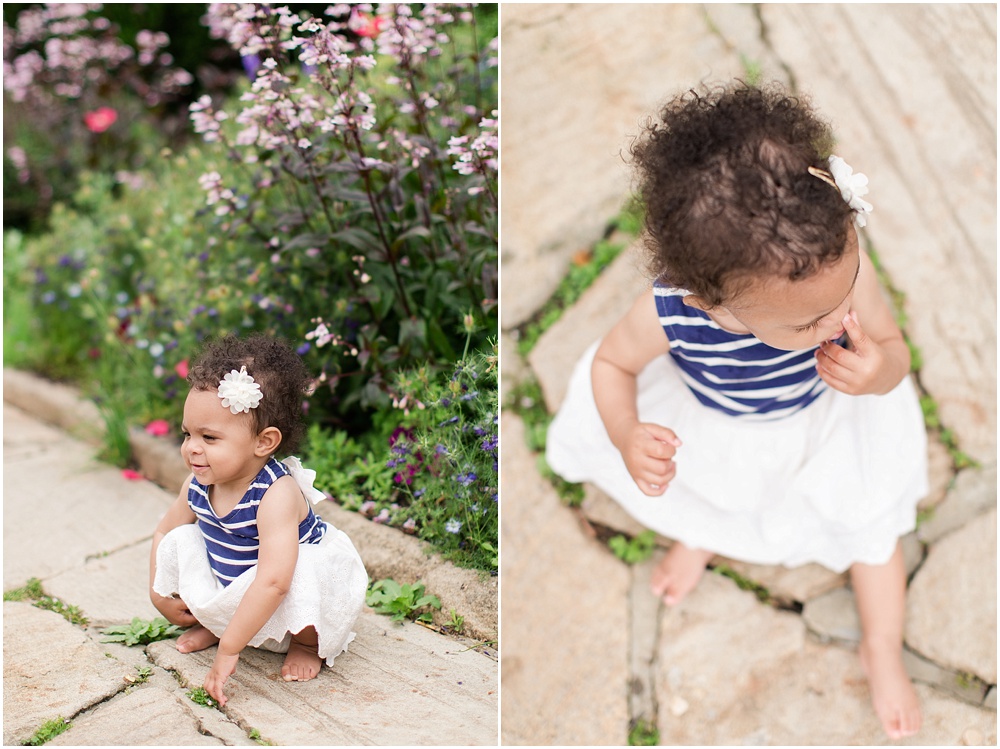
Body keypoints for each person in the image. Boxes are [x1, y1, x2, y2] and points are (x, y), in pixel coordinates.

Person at [546, 82, 928, 739]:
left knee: (874, 533)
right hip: (720, 427)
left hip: (828, 422)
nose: (839, 319)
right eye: (811, 321)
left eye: (843, 295)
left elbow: (893, 349)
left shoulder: (835, 274)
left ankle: (883, 646)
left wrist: (878, 372)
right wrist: (627, 430)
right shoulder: (672, 314)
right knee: (705, 494)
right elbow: (612, 366)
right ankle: (702, 535)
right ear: (708, 302)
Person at [150, 334, 368, 707]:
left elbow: (273, 582)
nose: (192, 448)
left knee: (301, 572)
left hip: (284, 590)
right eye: (188, 434)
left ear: (264, 443)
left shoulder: (275, 494)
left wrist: (230, 651)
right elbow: (164, 531)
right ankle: (217, 623)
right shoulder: (199, 484)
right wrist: (157, 594)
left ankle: (303, 643)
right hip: (239, 585)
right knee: (181, 540)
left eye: (210, 437)